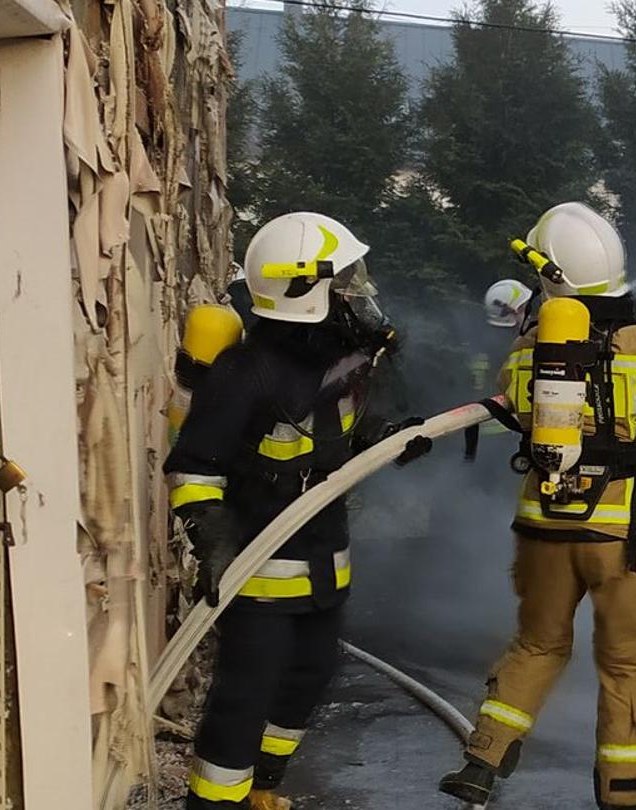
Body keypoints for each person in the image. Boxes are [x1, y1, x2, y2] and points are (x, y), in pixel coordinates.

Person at [440, 202, 636, 809]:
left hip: (543, 528)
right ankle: (626, 793)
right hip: (623, 537)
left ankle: (483, 757)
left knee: (537, 646)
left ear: (550, 277)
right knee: (627, 663)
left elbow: (513, 412)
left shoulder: (531, 345)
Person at [168, 212, 421, 809]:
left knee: (309, 680)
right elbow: (195, 463)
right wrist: (211, 534)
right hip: (260, 569)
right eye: (344, 284)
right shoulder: (245, 373)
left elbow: (342, 435)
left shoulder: (337, 364)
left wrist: (396, 436)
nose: (359, 295)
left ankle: (263, 789)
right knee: (244, 696)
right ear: (304, 291)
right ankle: (213, 803)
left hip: (324, 565)